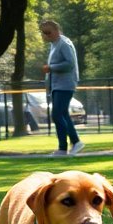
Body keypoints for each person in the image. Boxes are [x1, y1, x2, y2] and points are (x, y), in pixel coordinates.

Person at [40, 20, 83, 156]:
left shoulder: (63, 44)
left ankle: (67, 145)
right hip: (57, 85)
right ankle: (70, 145)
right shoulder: (54, 44)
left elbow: (69, 64)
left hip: (65, 84)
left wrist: (51, 68)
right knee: (62, 114)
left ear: (57, 31)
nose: (46, 35)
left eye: (48, 32)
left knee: (57, 114)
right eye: (44, 33)